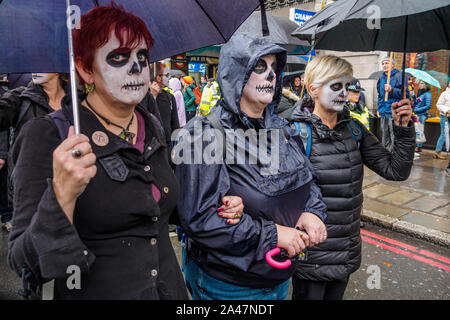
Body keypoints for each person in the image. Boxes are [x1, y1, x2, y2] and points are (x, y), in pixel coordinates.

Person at [8, 4, 190, 299]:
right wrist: (62, 195)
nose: (136, 68)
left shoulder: (151, 124)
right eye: (119, 57)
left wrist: (225, 204)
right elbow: (25, 263)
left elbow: (161, 207)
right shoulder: (49, 135)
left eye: (142, 57)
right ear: (85, 69)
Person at [174, 33, 327, 300]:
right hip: (229, 286)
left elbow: (307, 180)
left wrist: (312, 211)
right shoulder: (202, 135)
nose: (270, 76)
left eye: (273, 68)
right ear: (237, 73)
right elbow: (200, 218)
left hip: (278, 280)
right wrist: (273, 235)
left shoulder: (283, 128)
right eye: (259, 67)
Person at [289, 55, 415, 300]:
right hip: (310, 252)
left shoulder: (354, 129)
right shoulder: (294, 132)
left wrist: (402, 129)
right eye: (336, 86)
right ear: (313, 89)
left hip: (346, 250)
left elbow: (396, 171)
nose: (344, 93)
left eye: (348, 86)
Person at [377, 56, 409, 152]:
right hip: (384, 112)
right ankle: (386, 154)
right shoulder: (381, 78)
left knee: (394, 135)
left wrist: (392, 90)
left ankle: (394, 155)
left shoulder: (399, 76)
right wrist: (379, 108)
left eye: (387, 63)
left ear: (393, 65)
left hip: (394, 112)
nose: (384, 65)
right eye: (383, 63)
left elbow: (406, 94)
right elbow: (380, 95)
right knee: (384, 135)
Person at [413, 81, 432, 152]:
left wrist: (417, 110)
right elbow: (418, 102)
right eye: (420, 83)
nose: (420, 85)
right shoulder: (422, 93)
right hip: (417, 115)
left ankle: (419, 147)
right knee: (418, 130)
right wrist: (414, 97)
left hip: (421, 115)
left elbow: (428, 106)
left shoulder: (427, 94)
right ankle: (418, 146)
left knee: (420, 131)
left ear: (426, 85)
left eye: (422, 83)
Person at [434, 79, 450, 159]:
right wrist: (447, 110)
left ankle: (447, 150)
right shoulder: (445, 94)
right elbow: (438, 104)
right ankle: (438, 151)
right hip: (445, 117)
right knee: (443, 134)